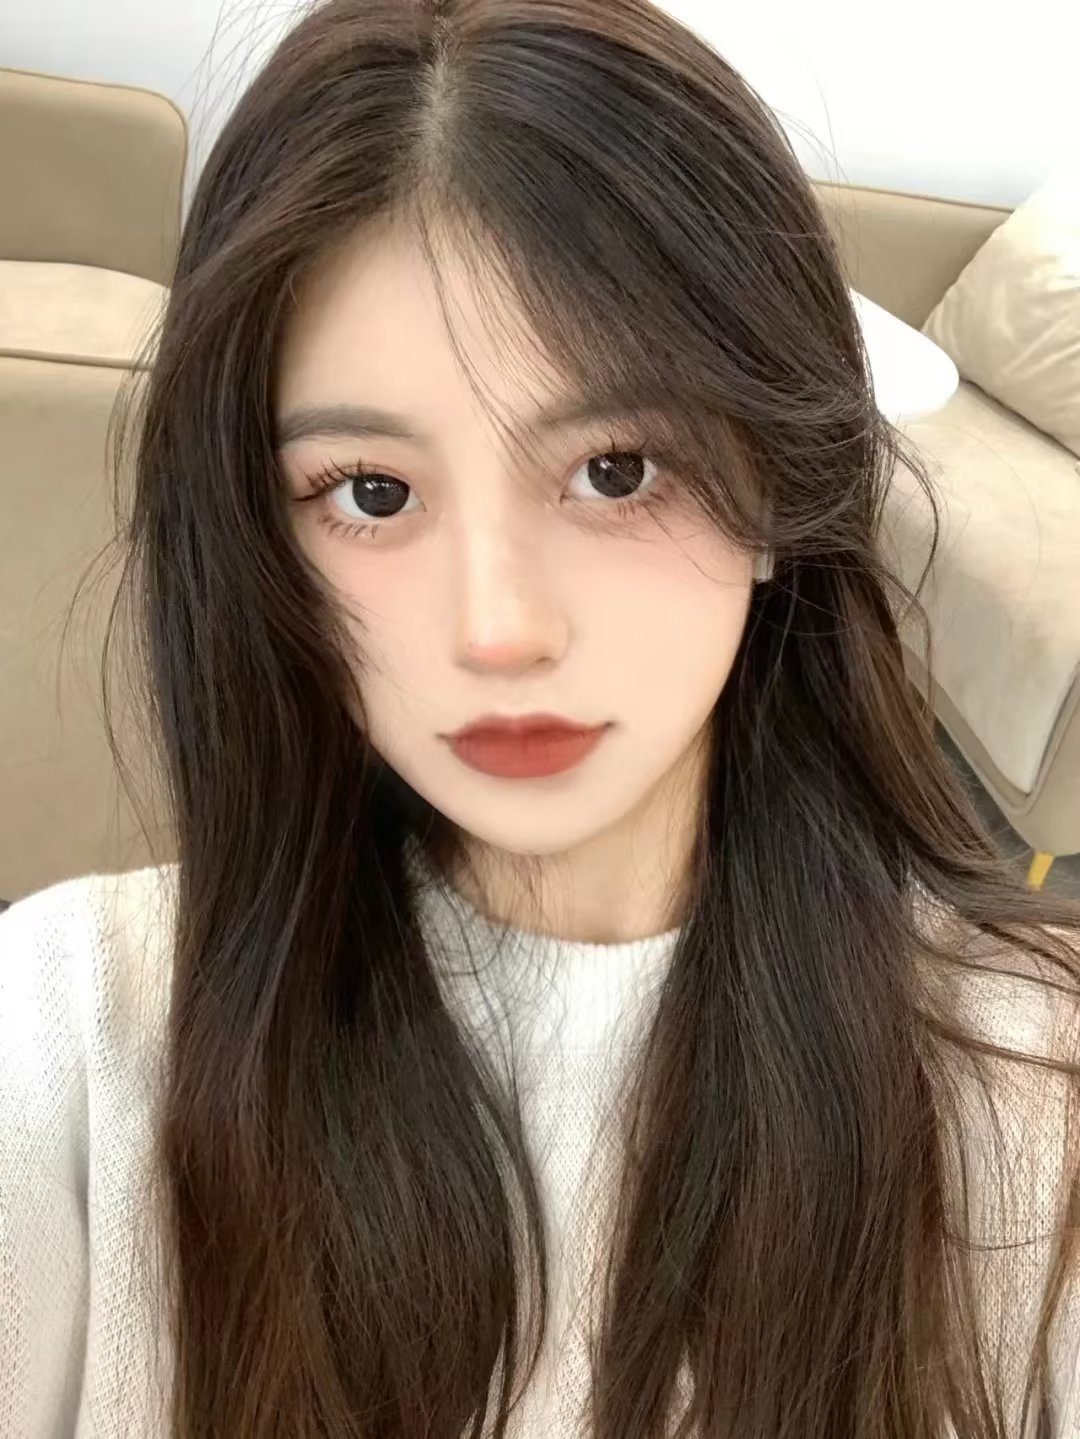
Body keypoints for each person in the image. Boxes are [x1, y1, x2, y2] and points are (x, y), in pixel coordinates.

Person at [2, 1, 1080, 1435]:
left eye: (617, 470)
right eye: (371, 493)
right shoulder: (74, 1028)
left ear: (777, 493)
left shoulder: (1032, 1080)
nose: (498, 628)